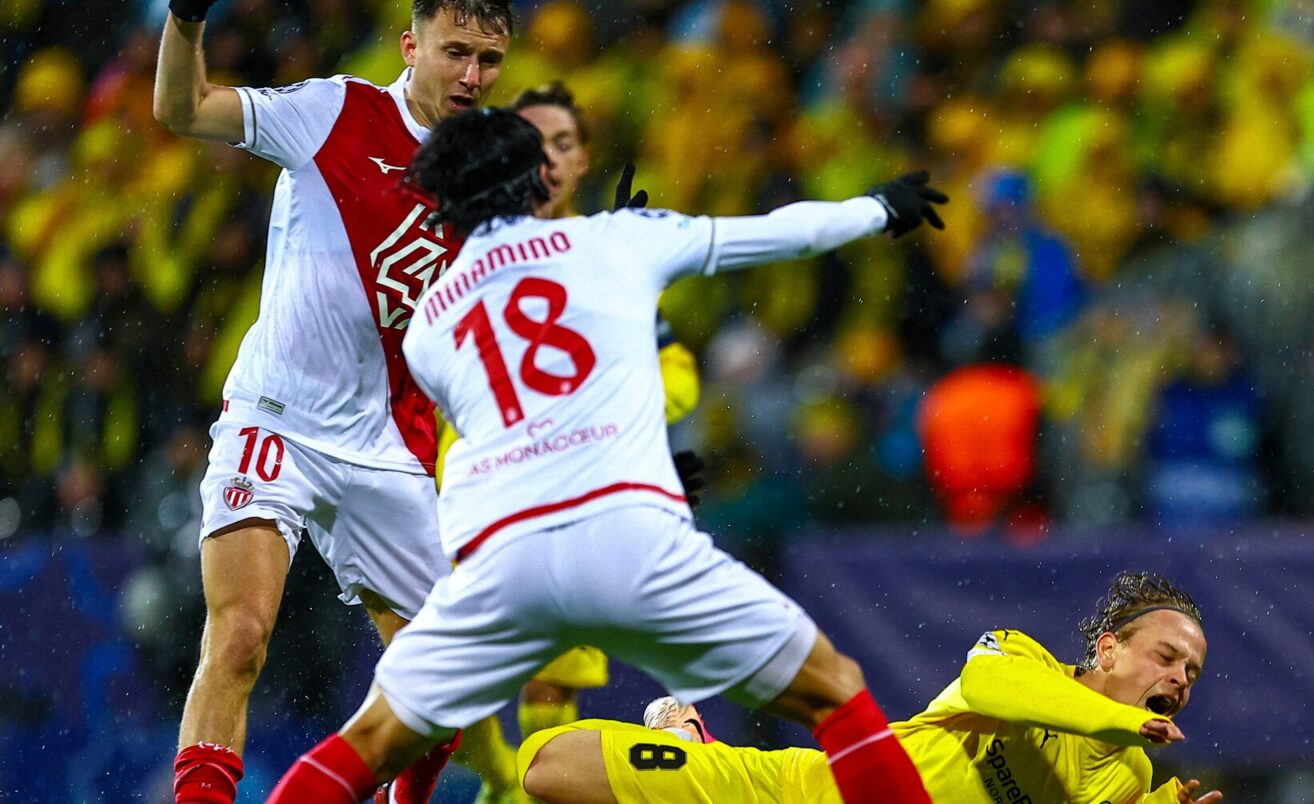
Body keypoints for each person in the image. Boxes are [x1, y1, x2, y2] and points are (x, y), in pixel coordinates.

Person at [264, 106, 946, 803]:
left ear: (438, 202)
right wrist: (876, 209)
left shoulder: (429, 324)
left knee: (372, 743)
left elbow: (515, 421)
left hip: (504, 559)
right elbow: (773, 236)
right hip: (629, 536)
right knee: (835, 693)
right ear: (539, 181)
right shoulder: (615, 239)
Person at [152, 1, 522, 801]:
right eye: (455, 52)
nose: (471, 77)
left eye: (489, 61)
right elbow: (182, 109)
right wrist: (186, 19)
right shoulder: (336, 111)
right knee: (241, 637)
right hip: (277, 421)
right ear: (410, 45)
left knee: (446, 680)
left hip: (387, 446)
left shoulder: (492, 181)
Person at [447, 81, 706, 804]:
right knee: (434, 683)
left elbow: (673, 371)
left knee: (549, 675)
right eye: (530, 145)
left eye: (561, 145)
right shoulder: (456, 239)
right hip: (456, 479)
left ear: (584, 159)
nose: (547, 161)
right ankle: (503, 779)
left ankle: (515, 790)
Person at [517, 571, 1222, 804]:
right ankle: (690, 742)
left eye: (1190, 672)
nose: (1178, 678)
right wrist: (1121, 724)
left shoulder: (1128, 777)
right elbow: (989, 685)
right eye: (1166, 655)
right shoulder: (1021, 659)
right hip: (812, 794)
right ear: (1107, 647)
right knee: (549, 770)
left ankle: (689, 735)